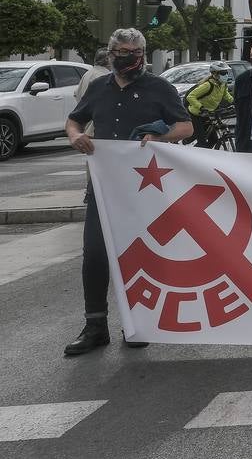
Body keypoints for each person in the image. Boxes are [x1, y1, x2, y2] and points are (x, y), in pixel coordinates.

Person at [63, 28, 193, 356]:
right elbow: (74, 121)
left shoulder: (160, 88)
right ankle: (95, 326)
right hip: (102, 189)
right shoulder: (98, 88)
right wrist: (75, 136)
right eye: (122, 51)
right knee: (94, 255)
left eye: (135, 52)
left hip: (144, 192)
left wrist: (160, 140)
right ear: (111, 53)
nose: (128, 58)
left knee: (138, 259)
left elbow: (186, 126)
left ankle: (136, 324)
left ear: (143, 55)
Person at [185, 62, 234, 147]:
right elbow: (190, 96)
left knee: (213, 139)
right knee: (202, 141)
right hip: (196, 114)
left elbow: (226, 95)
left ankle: (202, 154)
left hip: (208, 114)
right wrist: (201, 107)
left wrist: (234, 101)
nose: (226, 75)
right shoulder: (207, 85)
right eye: (223, 73)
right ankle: (191, 156)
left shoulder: (223, 84)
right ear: (215, 73)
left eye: (226, 72)